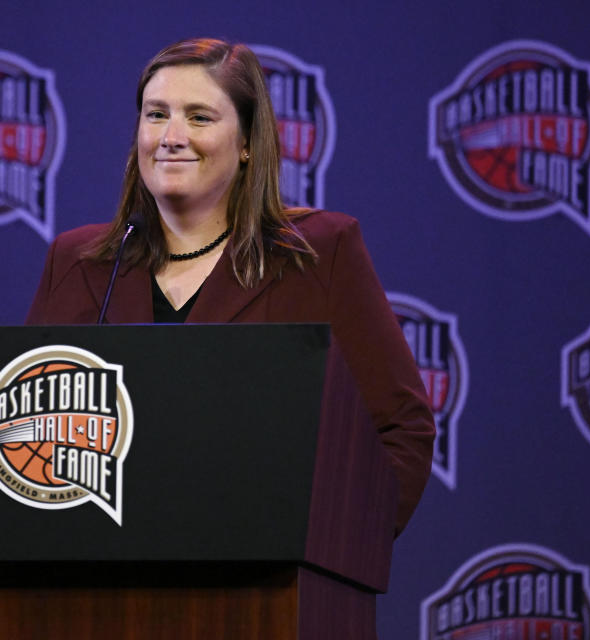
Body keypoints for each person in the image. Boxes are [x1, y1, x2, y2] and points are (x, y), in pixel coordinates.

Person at [26, 37, 434, 536]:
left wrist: (336, 549)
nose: (171, 136)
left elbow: (399, 430)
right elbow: (37, 427)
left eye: (199, 117)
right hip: (97, 586)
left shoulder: (318, 254)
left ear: (246, 143)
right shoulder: (77, 261)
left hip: (265, 594)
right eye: (156, 115)